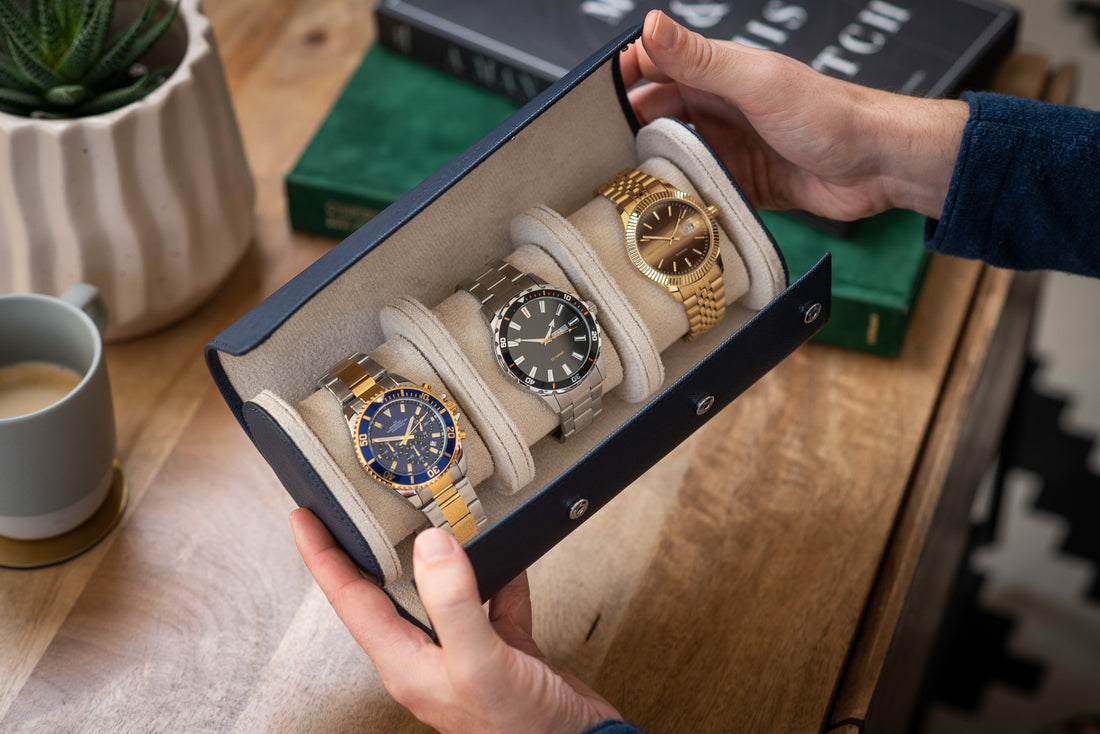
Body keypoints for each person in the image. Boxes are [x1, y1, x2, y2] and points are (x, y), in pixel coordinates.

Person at [292, 9, 1100, 734]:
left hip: (546, 350)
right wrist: (883, 148)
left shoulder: (538, 307)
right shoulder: (476, 348)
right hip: (513, 374)